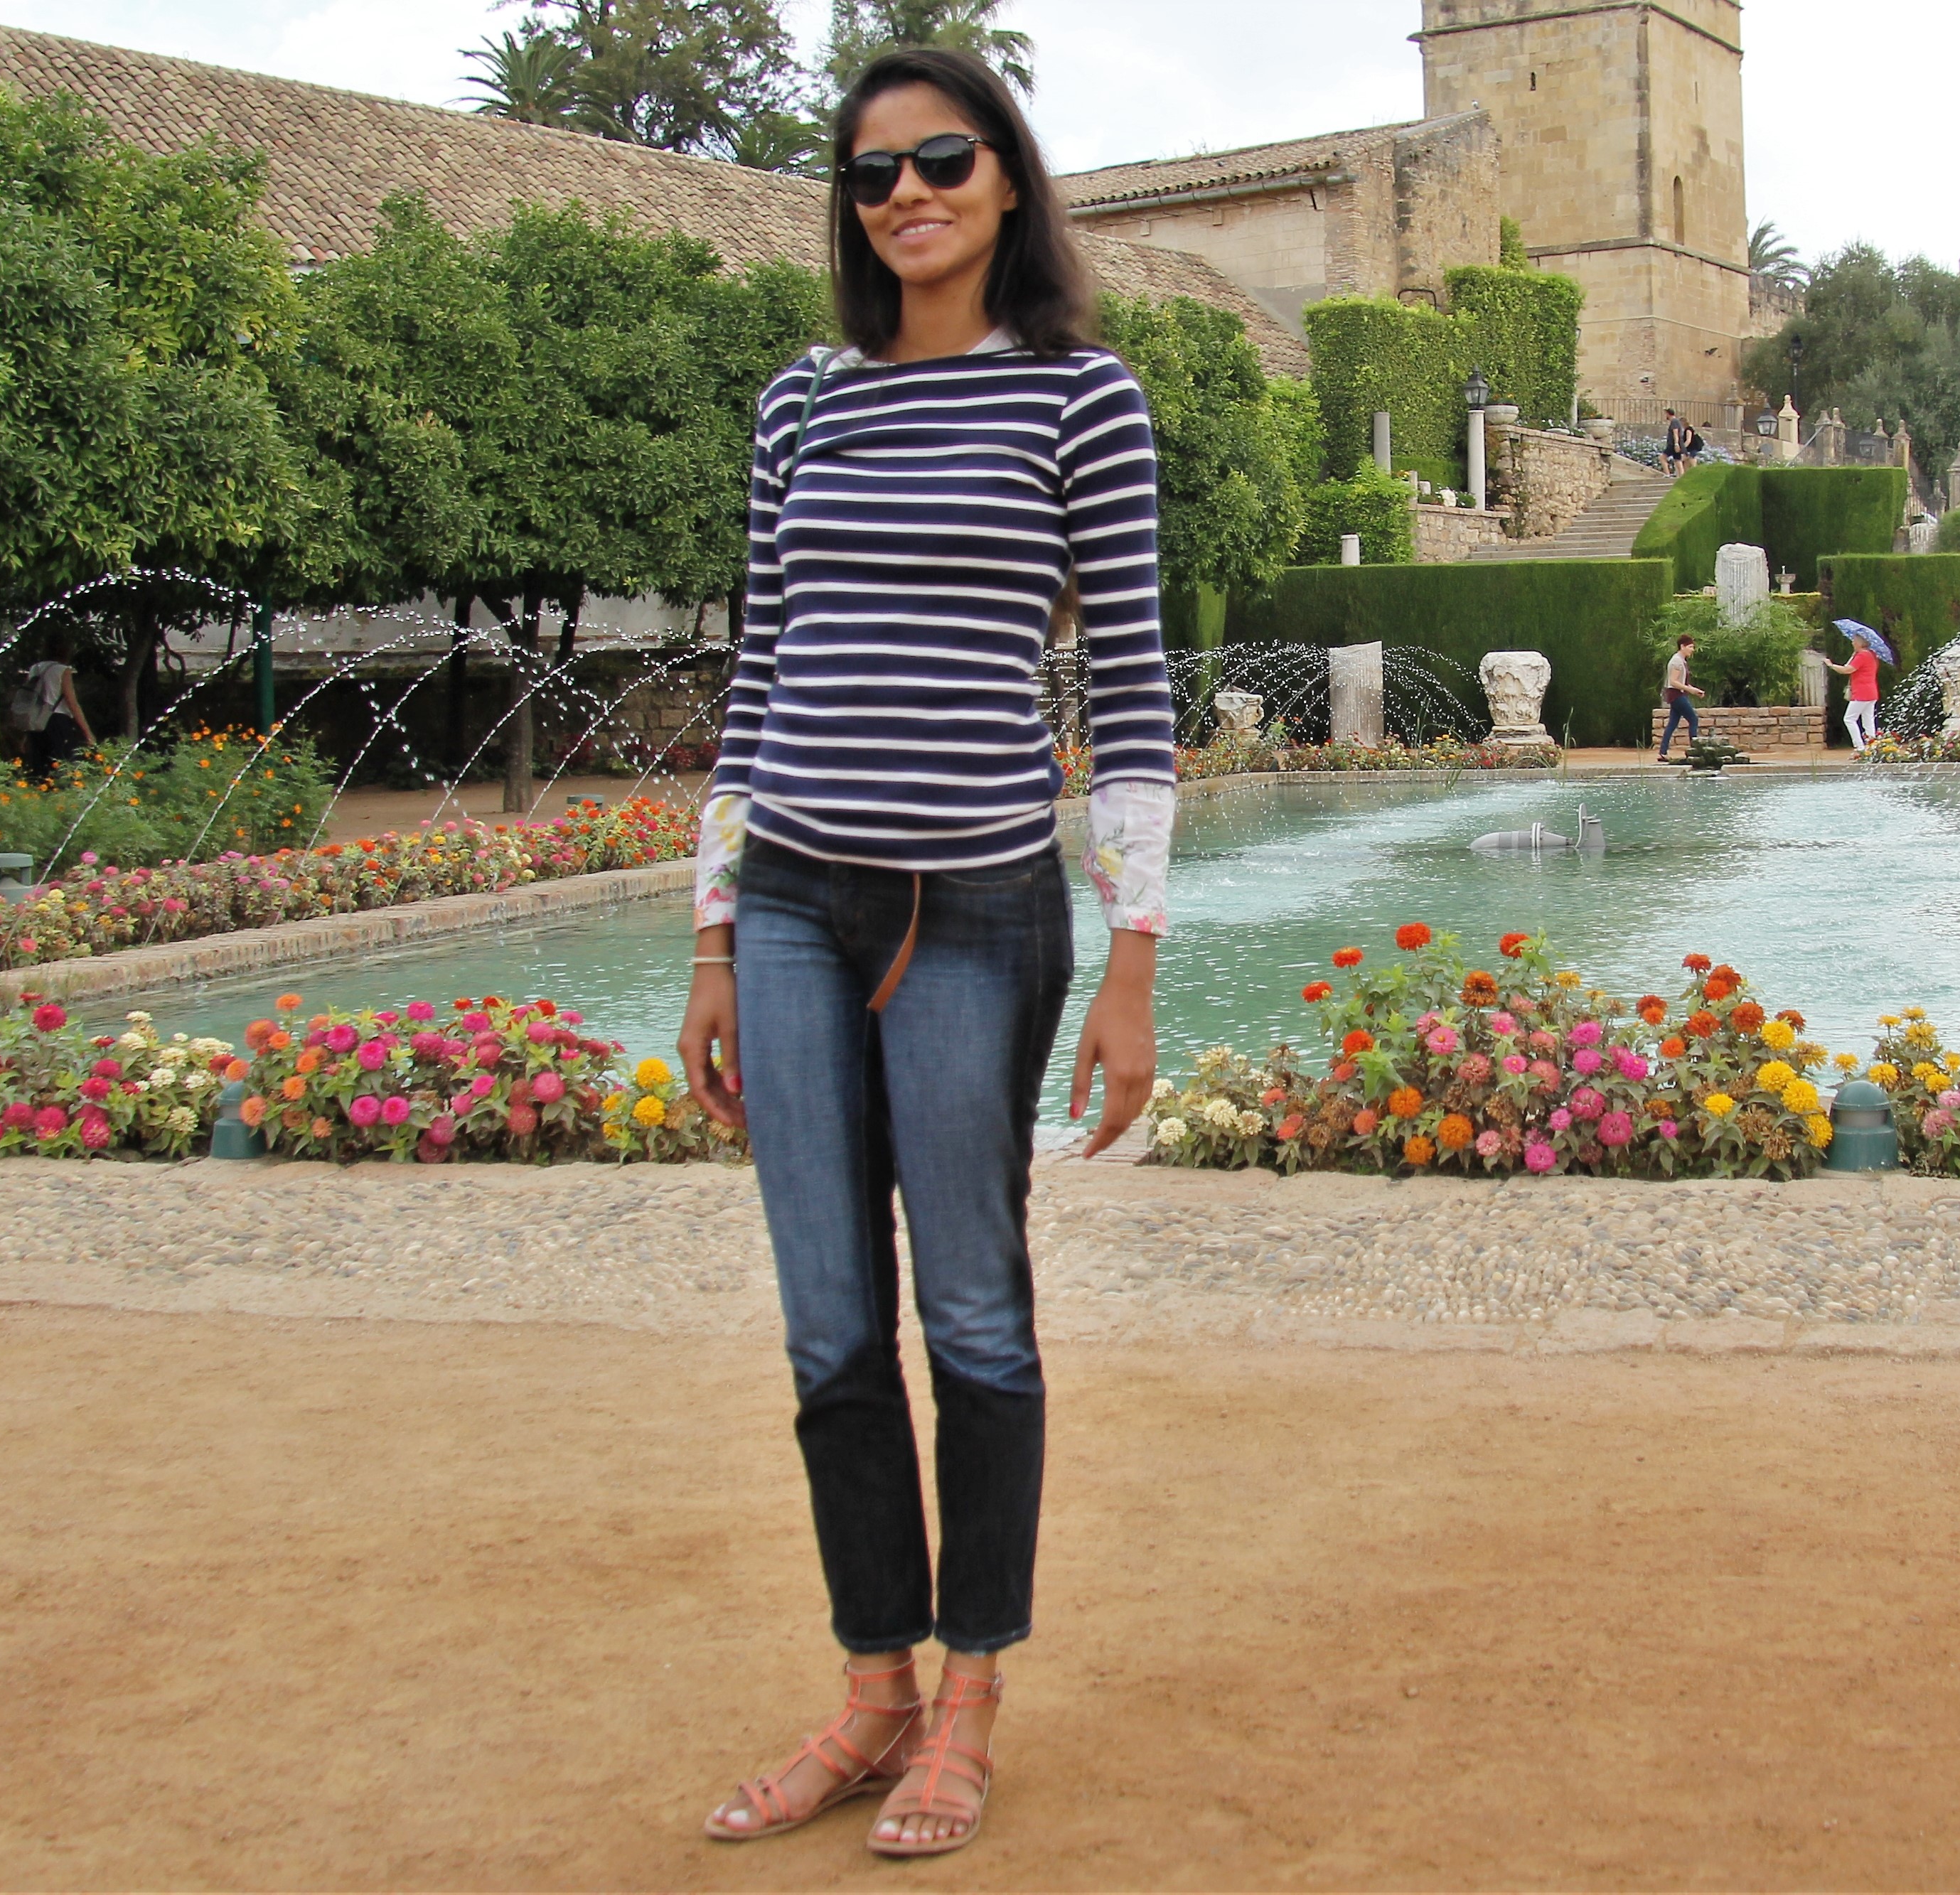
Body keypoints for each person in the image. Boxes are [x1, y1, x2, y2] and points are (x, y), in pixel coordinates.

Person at [679, 45, 1169, 1861]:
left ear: (1006, 178)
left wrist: (1132, 957)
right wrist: (713, 928)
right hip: (792, 903)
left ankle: (970, 1693)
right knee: (827, 1321)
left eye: (942, 159)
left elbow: (1131, 690)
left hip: (972, 909)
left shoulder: (1079, 397)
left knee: (970, 1311)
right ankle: (872, 1684)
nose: (906, 194)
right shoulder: (800, 403)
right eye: (873, 171)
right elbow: (756, 677)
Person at [9, 640, 97, 778]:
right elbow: (72, 703)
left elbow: (30, 700)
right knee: (63, 764)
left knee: (40, 767)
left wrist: (26, 734)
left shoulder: (35, 669)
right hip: (58, 721)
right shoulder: (63, 670)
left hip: (37, 722)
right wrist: (88, 733)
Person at [1659, 632, 1702, 757]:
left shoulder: (1681, 660)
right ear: (1682, 646)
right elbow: (1673, 681)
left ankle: (1663, 752)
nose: (1692, 650)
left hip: (1677, 694)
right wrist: (1689, 690)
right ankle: (1694, 751)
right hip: (1677, 695)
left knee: (1673, 723)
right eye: (1690, 647)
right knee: (1693, 719)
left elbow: (1682, 682)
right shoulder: (1677, 661)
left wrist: (1694, 690)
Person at [1843, 626, 1885, 751]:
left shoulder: (1862, 656)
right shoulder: (1872, 655)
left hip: (1861, 692)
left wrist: (1831, 665)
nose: (1852, 643)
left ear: (1860, 643)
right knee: (1868, 720)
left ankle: (1860, 747)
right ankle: (1872, 746)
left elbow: (1848, 669)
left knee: (1849, 719)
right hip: (1871, 692)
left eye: (1854, 640)